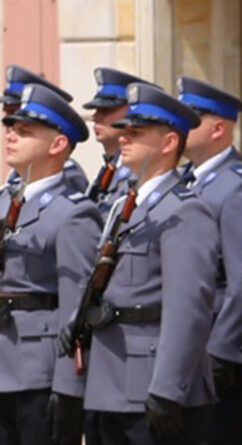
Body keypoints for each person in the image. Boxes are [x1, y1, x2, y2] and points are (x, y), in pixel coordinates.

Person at [76, 83, 220, 444]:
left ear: (169, 143)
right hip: (110, 380)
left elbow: (187, 309)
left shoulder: (184, 211)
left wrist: (169, 388)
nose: (124, 139)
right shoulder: (125, 207)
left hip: (152, 383)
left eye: (136, 133)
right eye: (124, 131)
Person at [177, 75, 242, 444]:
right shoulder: (188, 181)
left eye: (192, 117)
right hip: (193, 347)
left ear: (218, 128)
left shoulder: (239, 186)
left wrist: (221, 350)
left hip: (221, 351)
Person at [0, 84, 100, 445]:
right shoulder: (4, 201)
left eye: (24, 131)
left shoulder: (73, 213)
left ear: (57, 145)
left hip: (38, 374)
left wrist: (69, 386)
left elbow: (76, 310)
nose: (10, 135)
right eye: (11, 127)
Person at [83, 68, 160, 218]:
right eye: (96, 110)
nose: (95, 117)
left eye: (106, 110)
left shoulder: (138, 171)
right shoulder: (110, 169)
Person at [1, 64, 89, 192]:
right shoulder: (18, 173)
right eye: (8, 113)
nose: (10, 128)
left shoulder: (68, 173)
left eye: (15, 112)